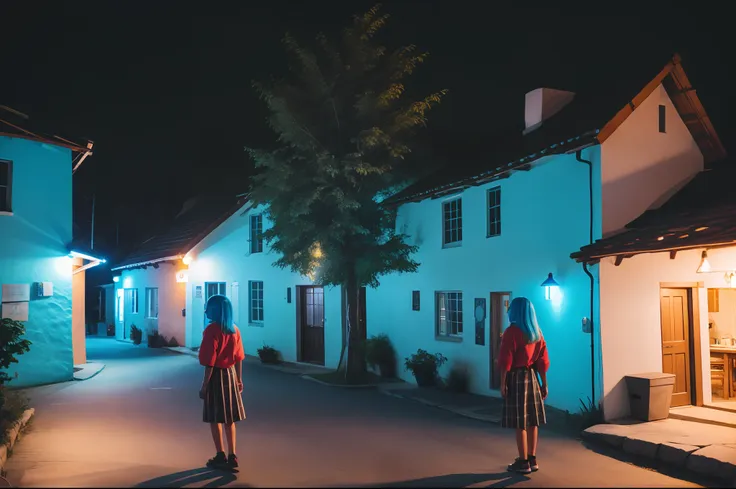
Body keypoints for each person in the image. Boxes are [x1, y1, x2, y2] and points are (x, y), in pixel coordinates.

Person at [498, 296, 550, 475]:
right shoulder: (537, 333)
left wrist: (502, 383)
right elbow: (542, 361)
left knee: (520, 421)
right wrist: (544, 383)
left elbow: (506, 360)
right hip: (532, 376)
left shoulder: (511, 332)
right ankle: (532, 458)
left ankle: (523, 462)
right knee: (532, 420)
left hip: (517, 377)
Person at [198, 294, 246, 471]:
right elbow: (239, 357)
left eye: (208, 307)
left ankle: (220, 454)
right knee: (229, 418)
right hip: (231, 374)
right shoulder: (234, 329)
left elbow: (209, 362)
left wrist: (204, 385)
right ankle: (233, 455)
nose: (205, 311)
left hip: (217, 376)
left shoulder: (212, 330)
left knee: (215, 417)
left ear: (215, 310)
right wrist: (239, 379)